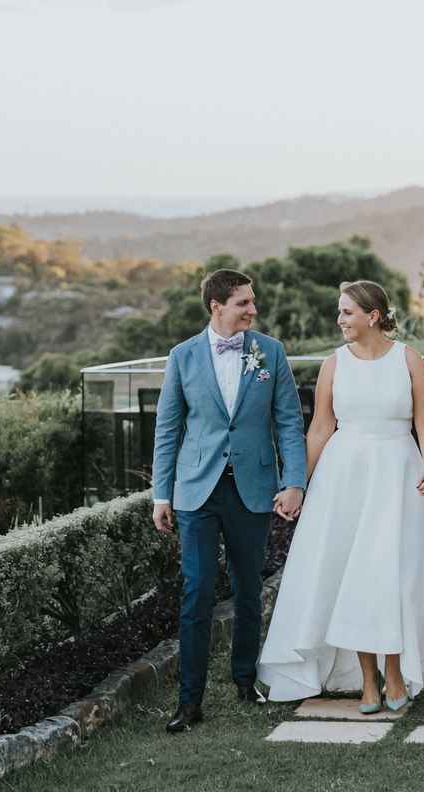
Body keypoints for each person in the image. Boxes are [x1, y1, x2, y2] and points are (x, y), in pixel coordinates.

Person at [257, 280, 424, 709]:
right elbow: (321, 427)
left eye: (346, 312)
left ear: (372, 316)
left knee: (391, 572)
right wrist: (296, 484)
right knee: (350, 574)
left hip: (398, 472)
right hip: (344, 478)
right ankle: (366, 679)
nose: (339, 319)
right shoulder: (333, 365)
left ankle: (395, 673)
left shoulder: (409, 360)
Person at [151, 268, 308, 733]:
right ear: (216, 305)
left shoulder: (270, 352)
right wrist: (163, 493)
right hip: (197, 490)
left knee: (247, 591)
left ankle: (245, 680)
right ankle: (189, 702)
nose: (253, 310)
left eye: (252, 302)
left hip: (254, 488)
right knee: (196, 591)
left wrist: (294, 481)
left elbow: (288, 422)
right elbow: (168, 428)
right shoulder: (182, 357)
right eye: (244, 303)